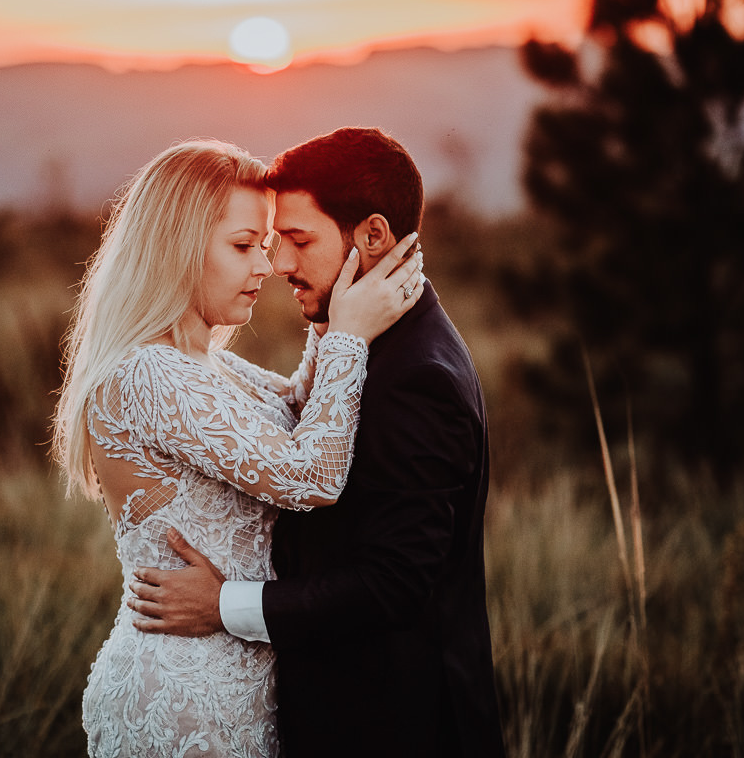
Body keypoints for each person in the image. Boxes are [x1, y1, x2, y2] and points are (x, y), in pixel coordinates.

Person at [128, 127, 507, 757]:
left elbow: (393, 583)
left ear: (373, 236)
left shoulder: (417, 376)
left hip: (394, 728)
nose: (279, 264)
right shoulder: (372, 348)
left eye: (298, 241)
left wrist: (226, 605)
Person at [51, 138, 426, 757]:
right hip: (182, 695)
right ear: (178, 246)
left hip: (238, 681)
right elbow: (313, 477)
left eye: (270, 245)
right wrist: (348, 337)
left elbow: (301, 410)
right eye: (243, 246)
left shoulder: (209, 368)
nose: (265, 267)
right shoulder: (151, 375)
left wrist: (336, 312)